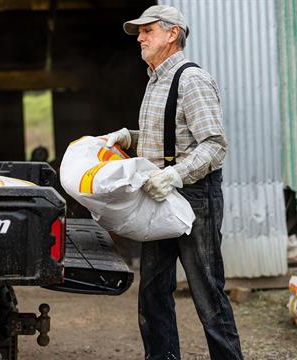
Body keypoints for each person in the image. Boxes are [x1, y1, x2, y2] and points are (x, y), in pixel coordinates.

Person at [105, 5, 243, 360]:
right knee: (152, 293)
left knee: (207, 293)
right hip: (160, 198)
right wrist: (129, 138)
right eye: (139, 32)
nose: (140, 37)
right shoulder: (155, 80)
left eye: (147, 30)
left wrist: (175, 174)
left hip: (195, 197)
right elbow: (168, 139)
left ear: (172, 34)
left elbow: (214, 145)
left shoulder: (191, 79)